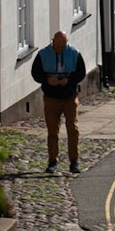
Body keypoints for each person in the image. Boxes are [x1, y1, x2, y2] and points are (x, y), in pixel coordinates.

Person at [31, 29, 87, 174]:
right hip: (51, 98)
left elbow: (81, 73)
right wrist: (47, 80)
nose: (60, 49)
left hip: (69, 96)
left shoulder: (74, 53)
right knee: (52, 131)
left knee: (72, 129)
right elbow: (35, 73)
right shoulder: (43, 54)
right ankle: (52, 161)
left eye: (63, 46)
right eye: (57, 45)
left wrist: (69, 81)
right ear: (53, 42)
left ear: (66, 43)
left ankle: (74, 161)